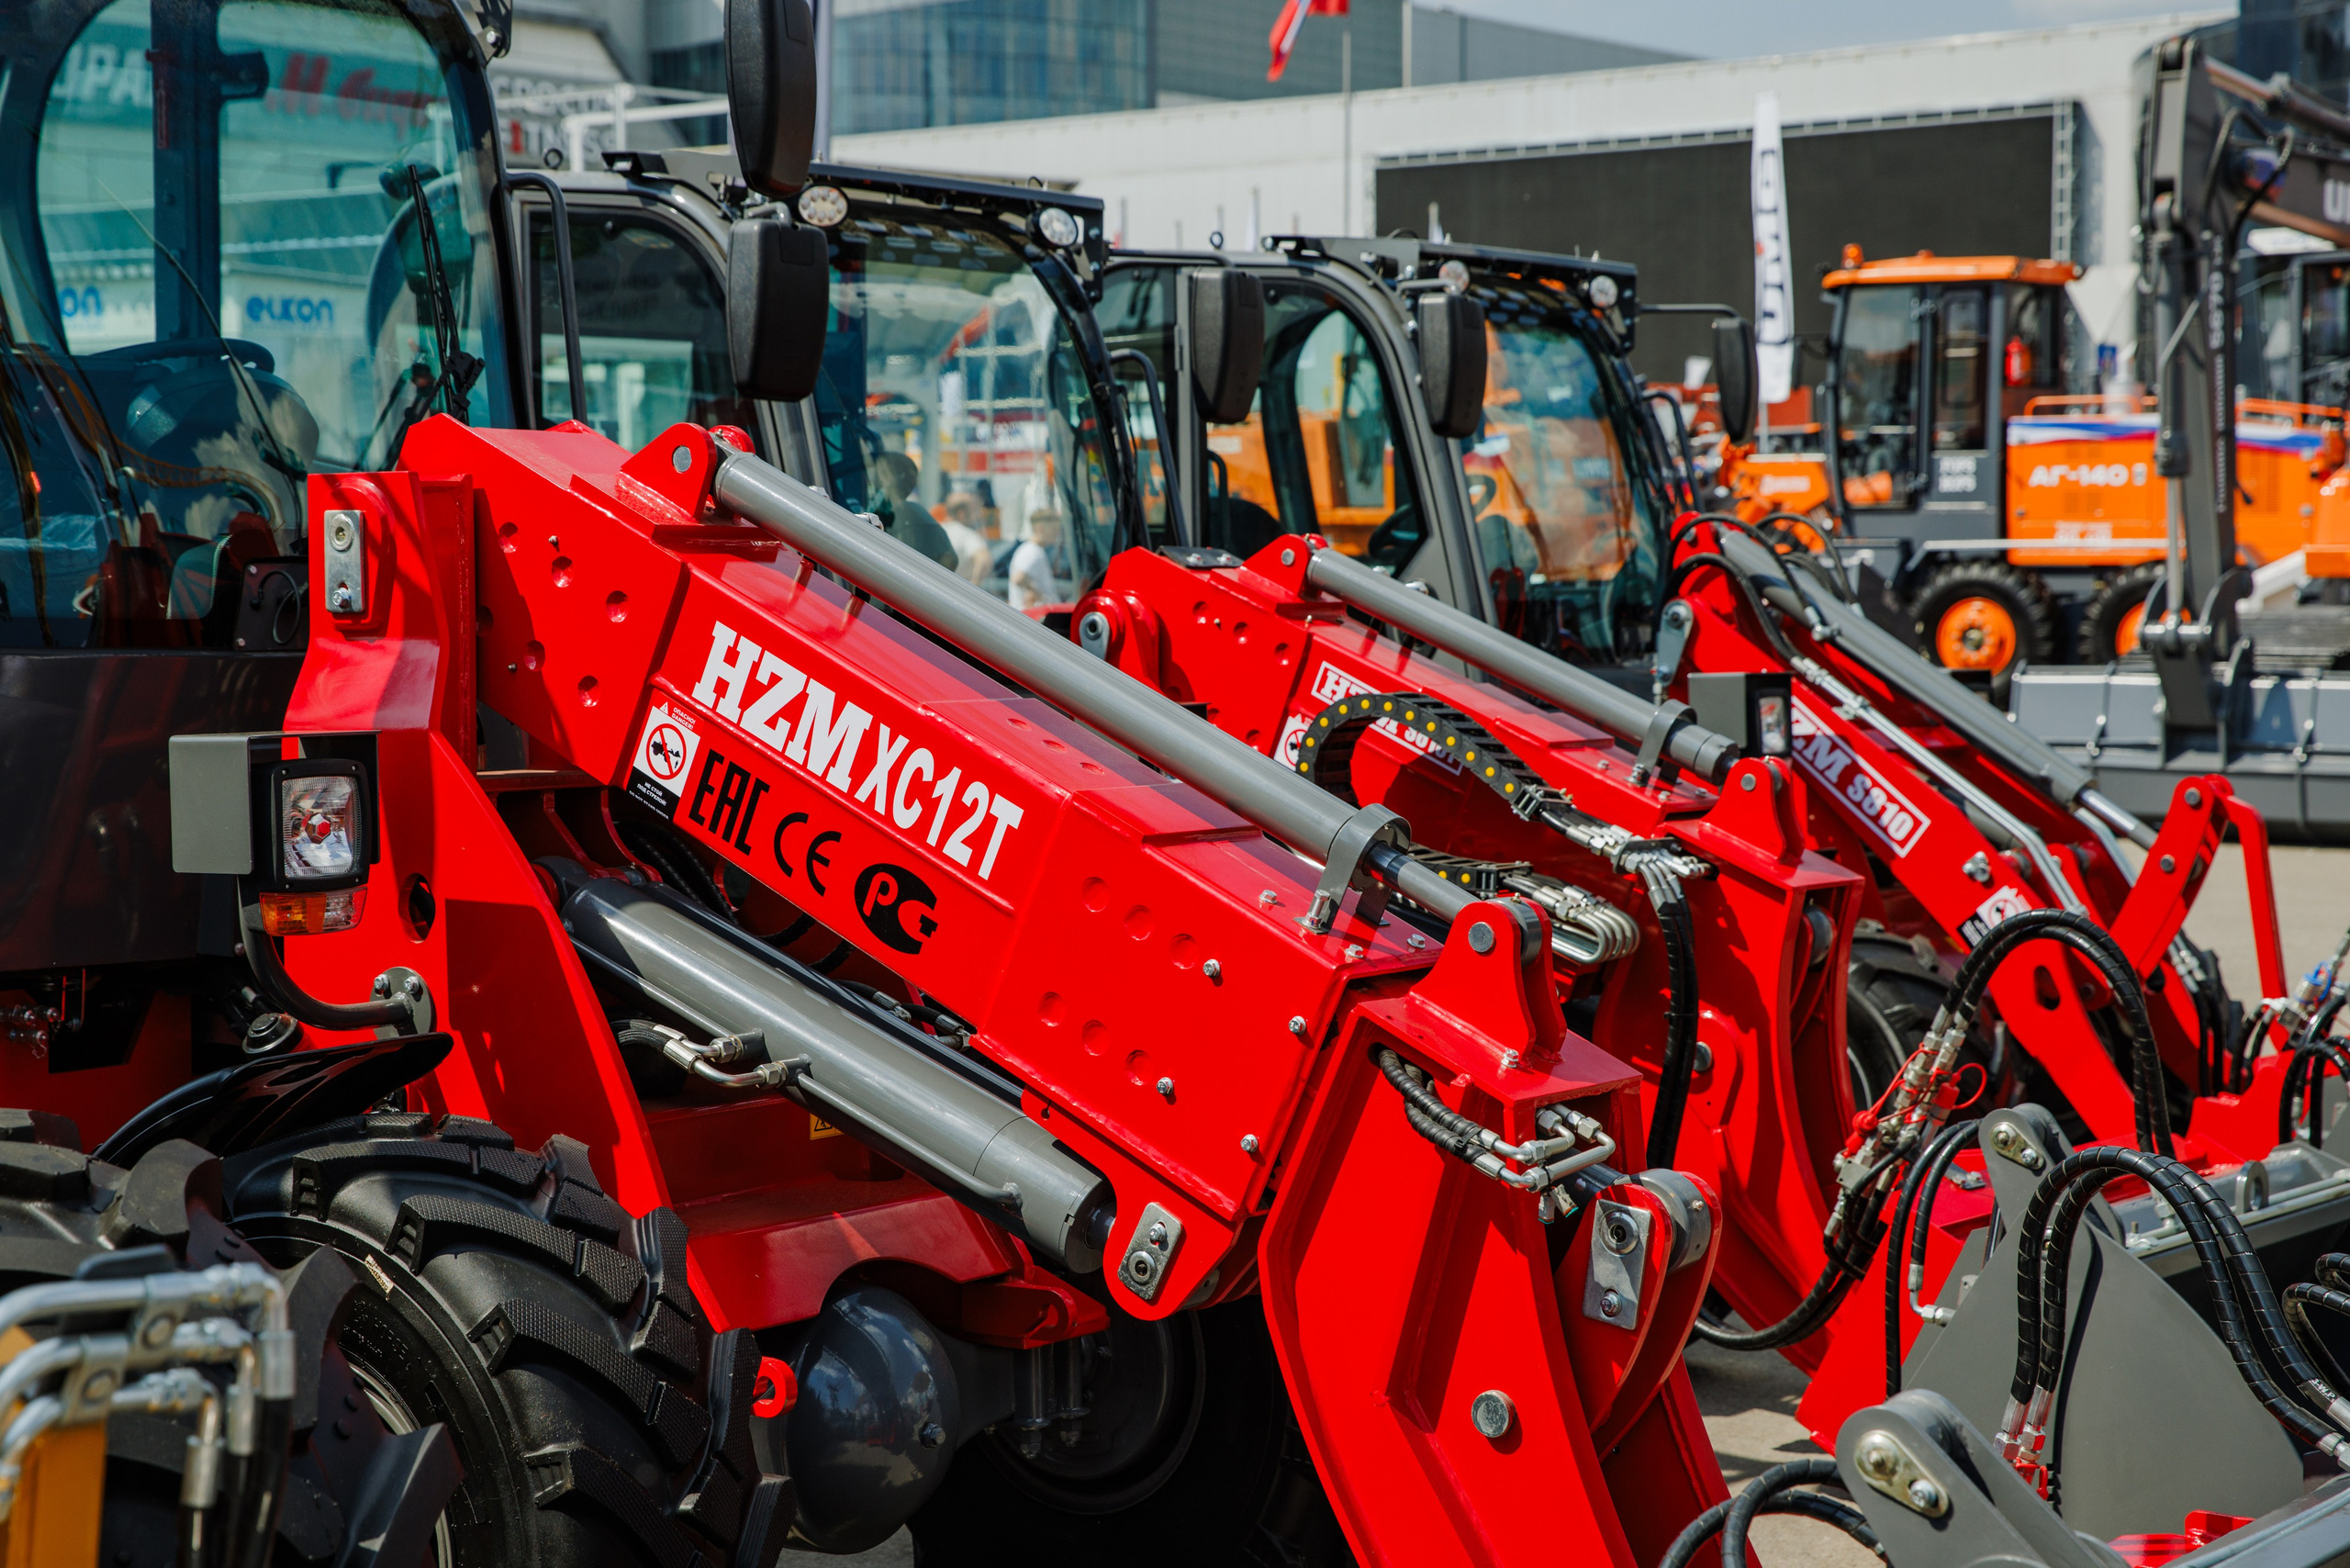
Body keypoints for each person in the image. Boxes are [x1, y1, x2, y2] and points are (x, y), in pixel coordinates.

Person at [871, 450, 957, 569]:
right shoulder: (883, 511)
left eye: (882, 472)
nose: (873, 478)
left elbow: (950, 558)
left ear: (893, 478)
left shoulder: (906, 513)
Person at [1007, 507, 1065, 611]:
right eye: (1054, 529)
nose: (1057, 534)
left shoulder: (1031, 550)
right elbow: (1018, 578)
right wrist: (1036, 593)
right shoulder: (1032, 552)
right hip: (1034, 617)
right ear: (1040, 529)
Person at [939, 489, 991, 586]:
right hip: (957, 594)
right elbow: (983, 561)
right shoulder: (969, 536)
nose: (978, 515)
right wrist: (974, 584)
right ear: (961, 514)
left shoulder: (936, 530)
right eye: (974, 511)